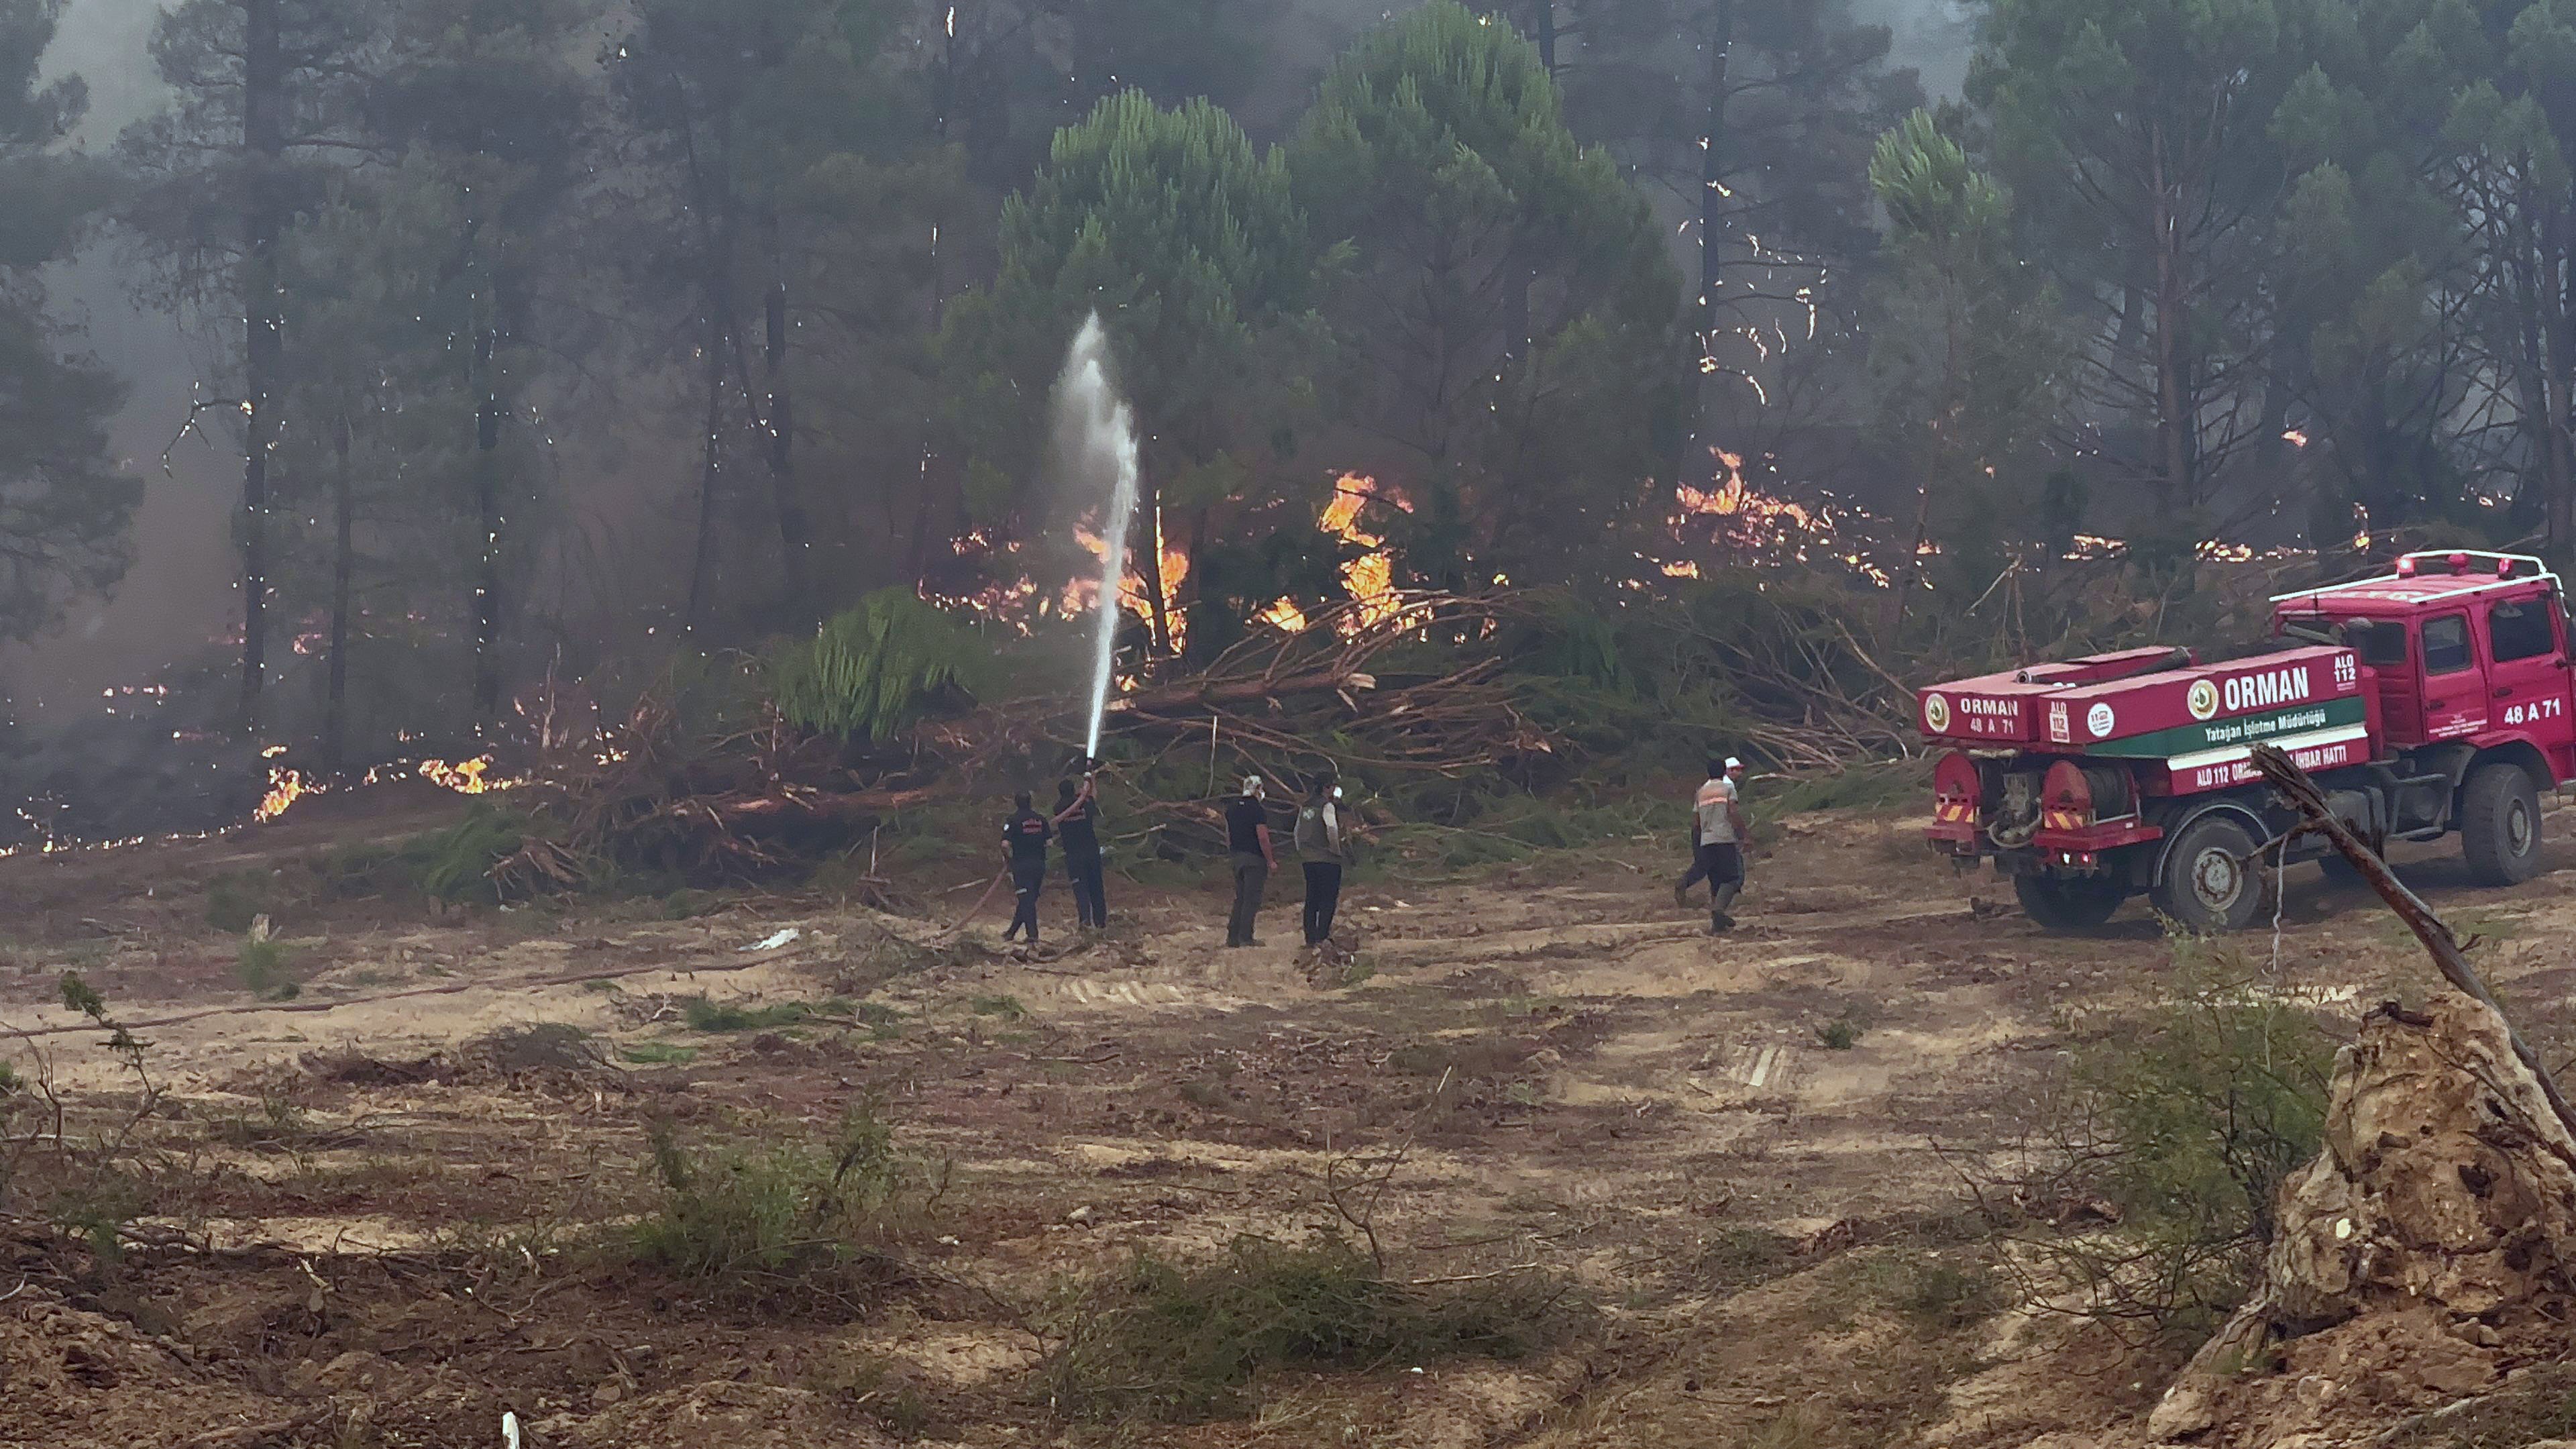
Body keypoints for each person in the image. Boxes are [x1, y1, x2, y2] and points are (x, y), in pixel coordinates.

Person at [1672, 756, 1748, 932]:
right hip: (1724, 839)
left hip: (1706, 841)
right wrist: (1745, 835)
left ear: (1708, 773)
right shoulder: (1728, 788)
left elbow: (1696, 822)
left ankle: (1717, 926)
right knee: (1734, 878)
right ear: (1724, 772)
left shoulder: (1701, 792)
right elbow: (1733, 814)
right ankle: (1718, 910)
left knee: (1716, 881)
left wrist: (1699, 848)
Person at [1295, 779, 1351, 947]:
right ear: (1327, 788)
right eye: (1333, 786)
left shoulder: (1305, 806)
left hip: (1308, 859)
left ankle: (1310, 937)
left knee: (1311, 898)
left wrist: (1302, 851)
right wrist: (1336, 850)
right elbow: (1332, 828)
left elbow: (1297, 831)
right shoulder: (1327, 806)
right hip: (1327, 859)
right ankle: (1322, 936)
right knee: (1328, 899)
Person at [1224, 775, 1276, 947]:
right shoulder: (1257, 809)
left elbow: (1228, 835)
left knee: (1240, 897)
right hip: (1254, 859)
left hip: (1237, 857)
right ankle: (1246, 937)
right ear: (1257, 788)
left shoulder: (1232, 808)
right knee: (1251, 898)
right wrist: (1270, 860)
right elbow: (1263, 837)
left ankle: (1232, 936)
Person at [1055, 771, 1107, 930]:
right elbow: (1094, 796)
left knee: (1080, 889)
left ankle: (1085, 922)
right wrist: (1091, 781)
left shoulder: (1058, 808)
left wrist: (1085, 790)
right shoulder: (1084, 803)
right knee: (1096, 887)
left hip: (1073, 856)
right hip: (1091, 853)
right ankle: (1100, 922)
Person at [1001, 789, 1053, 943]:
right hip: (1039, 865)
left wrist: (1008, 859)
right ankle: (1011, 932)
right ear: (1031, 802)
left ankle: (1032, 935)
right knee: (1028, 900)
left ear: (1015, 803)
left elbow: (1004, 844)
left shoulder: (1013, 820)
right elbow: (1050, 843)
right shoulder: (1041, 819)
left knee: (1026, 900)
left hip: (1021, 865)